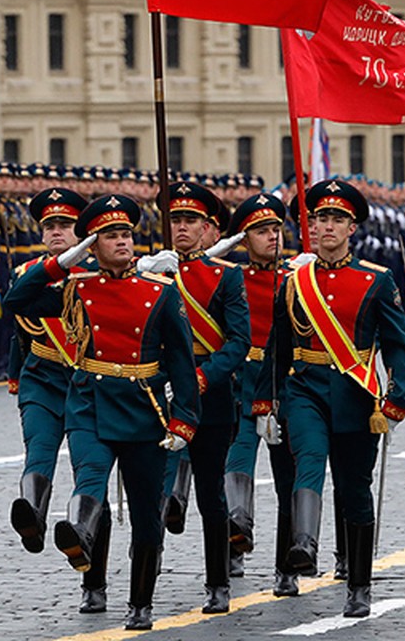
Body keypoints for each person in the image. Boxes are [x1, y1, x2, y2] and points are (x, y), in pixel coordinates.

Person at [5, 194, 199, 631]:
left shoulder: (160, 292)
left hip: (143, 408)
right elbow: (17, 302)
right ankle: (79, 535)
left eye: (126, 233)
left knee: (147, 511)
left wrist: (185, 419)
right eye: (110, 236)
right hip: (90, 402)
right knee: (90, 474)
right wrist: (59, 263)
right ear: (92, 246)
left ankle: (141, 602)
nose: (122, 242)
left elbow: (184, 363)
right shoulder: (78, 289)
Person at [261, 179, 405, 617]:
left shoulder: (376, 280)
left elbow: (398, 346)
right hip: (305, 388)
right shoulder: (294, 280)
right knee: (307, 460)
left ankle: (359, 585)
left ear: (352, 228)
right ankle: (304, 545)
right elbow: (279, 347)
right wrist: (265, 401)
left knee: (354, 487)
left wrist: (397, 396)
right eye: (320, 219)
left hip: (357, 395)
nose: (327, 226)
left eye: (336, 219)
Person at [7, 186, 116, 614]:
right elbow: (20, 326)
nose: (56, 233)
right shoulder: (28, 272)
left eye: (65, 226)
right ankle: (31, 519)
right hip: (43, 376)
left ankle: (94, 578)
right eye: (49, 226)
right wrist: (15, 373)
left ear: (82, 231)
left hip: (91, 382)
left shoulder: (101, 274)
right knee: (38, 448)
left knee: (92, 474)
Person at [155, 181, 249, 614]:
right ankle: (145, 573)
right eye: (175, 219)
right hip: (161, 395)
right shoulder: (150, 270)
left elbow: (237, 342)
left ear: (211, 228)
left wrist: (201, 378)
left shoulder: (227, 276)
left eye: (191, 220)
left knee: (211, 491)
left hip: (208, 394)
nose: (181, 228)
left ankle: (218, 581)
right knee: (152, 490)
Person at [222, 193, 305, 595]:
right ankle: (236, 533)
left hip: (281, 382)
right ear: (244, 238)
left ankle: (286, 566)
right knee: (235, 458)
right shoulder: (231, 276)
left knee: (286, 476)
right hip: (241, 379)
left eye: (276, 229)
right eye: (261, 231)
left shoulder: (296, 277)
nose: (272, 237)